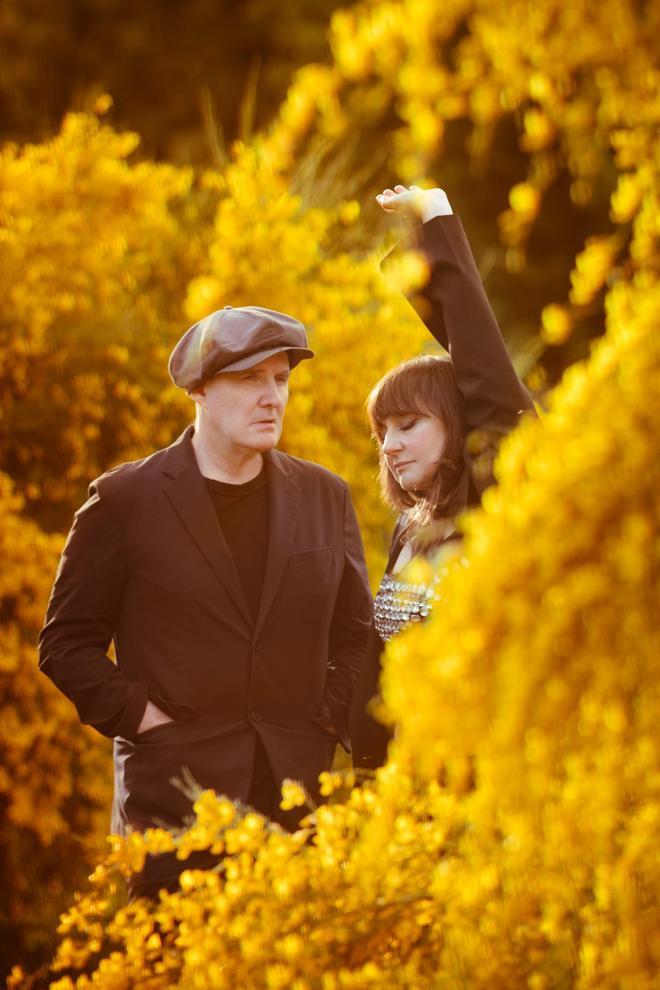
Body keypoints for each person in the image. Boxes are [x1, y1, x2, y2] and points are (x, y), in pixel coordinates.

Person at [39, 304, 372, 898]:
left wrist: (325, 716)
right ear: (198, 389)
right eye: (249, 379)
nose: (272, 398)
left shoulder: (325, 495)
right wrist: (144, 719)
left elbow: (355, 633)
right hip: (172, 810)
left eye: (281, 379)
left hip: (296, 808)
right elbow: (65, 644)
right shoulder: (123, 500)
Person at [349, 184, 536, 769]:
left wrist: (436, 219)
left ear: (456, 427)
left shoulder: (494, 507)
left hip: (483, 780)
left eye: (408, 425)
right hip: (404, 790)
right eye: (382, 432)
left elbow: (490, 383)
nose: (390, 446)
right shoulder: (410, 526)